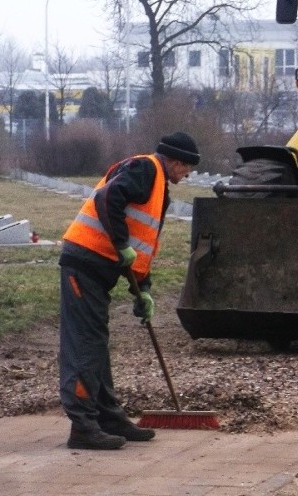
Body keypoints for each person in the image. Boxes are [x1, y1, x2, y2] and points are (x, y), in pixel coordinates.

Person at [57, 131, 201, 450]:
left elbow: (142, 242)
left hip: (98, 268)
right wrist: (120, 244)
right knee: (85, 343)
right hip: (84, 263)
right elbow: (107, 198)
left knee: (96, 342)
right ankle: (82, 427)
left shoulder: (158, 184)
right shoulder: (146, 169)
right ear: (175, 161)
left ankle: (108, 416)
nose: (188, 174)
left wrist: (143, 291)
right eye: (187, 167)